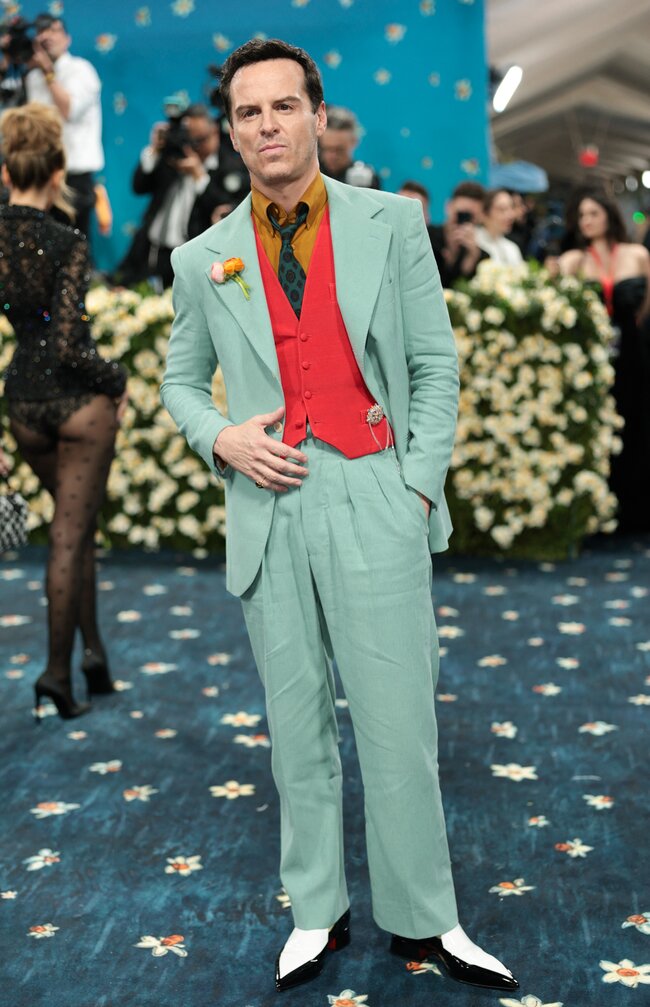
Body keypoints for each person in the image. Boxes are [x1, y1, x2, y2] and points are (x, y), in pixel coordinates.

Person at [161, 37, 519, 996]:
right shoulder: (201, 257)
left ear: (317, 115)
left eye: (285, 106)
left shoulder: (391, 224)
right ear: (231, 131)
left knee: (399, 723)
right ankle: (316, 909)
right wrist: (221, 437)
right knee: (296, 729)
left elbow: (435, 365)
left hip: (374, 490)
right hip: (267, 503)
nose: (267, 125)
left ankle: (426, 915)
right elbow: (179, 381)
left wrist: (415, 486)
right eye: (248, 112)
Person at [0, 103, 127, 719]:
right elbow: (70, 346)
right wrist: (117, 379)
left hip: (23, 406)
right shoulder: (66, 240)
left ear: (7, 170)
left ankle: (93, 656)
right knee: (70, 536)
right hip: (78, 406)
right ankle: (56, 673)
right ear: (58, 171)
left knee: (75, 533)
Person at [559, 190, 650, 533]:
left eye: (593, 214)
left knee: (636, 423)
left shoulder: (638, 254)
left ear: (609, 215)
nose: (586, 221)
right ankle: (597, 510)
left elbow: (647, 305)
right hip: (593, 358)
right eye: (582, 215)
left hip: (633, 353)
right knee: (598, 427)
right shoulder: (575, 261)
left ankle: (636, 509)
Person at [114, 104, 248, 289]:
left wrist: (199, 176)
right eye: (189, 139)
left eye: (200, 140)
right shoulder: (175, 155)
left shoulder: (231, 166)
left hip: (195, 259)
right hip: (155, 251)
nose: (194, 147)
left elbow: (226, 212)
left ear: (215, 132)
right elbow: (139, 186)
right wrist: (154, 150)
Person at [25, 14, 104, 239]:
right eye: (41, 31)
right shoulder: (32, 77)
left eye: (54, 30)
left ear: (67, 39)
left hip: (74, 175)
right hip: (42, 171)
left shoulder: (82, 69)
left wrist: (49, 73)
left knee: (73, 241)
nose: (47, 36)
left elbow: (69, 111)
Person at [427, 181, 488, 288]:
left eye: (470, 217)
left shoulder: (482, 258)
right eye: (460, 214)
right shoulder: (427, 237)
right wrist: (450, 256)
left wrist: (471, 259)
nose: (463, 222)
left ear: (479, 218)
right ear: (448, 207)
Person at [319, 104, 381, 188]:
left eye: (339, 150)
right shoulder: (307, 174)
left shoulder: (366, 179)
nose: (332, 156)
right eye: (327, 149)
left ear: (355, 142)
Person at [475, 189, 524, 266]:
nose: (510, 215)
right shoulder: (474, 243)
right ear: (484, 213)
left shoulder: (512, 248)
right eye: (502, 209)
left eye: (511, 208)